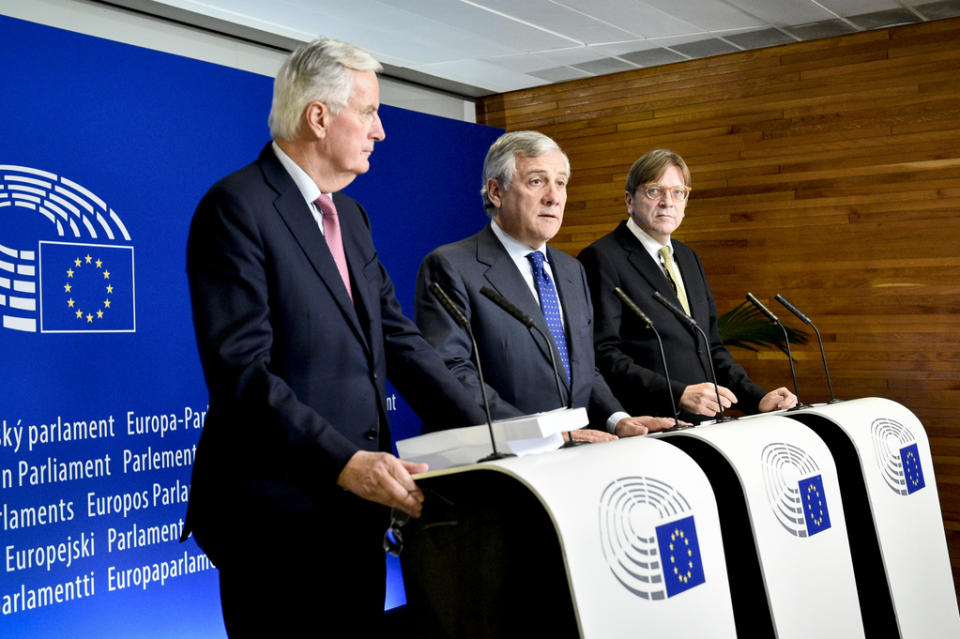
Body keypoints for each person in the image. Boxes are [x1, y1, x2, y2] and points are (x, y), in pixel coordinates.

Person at [181, 38, 486, 636]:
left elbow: (399, 341)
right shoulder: (235, 207)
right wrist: (344, 462)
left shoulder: (350, 216)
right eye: (369, 111)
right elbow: (240, 373)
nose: (381, 131)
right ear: (319, 116)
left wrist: (502, 434)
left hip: (355, 510)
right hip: (276, 517)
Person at [414, 131, 675, 440]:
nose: (554, 196)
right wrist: (542, 434)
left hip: (575, 456)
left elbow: (581, 367)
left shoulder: (571, 270)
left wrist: (616, 419)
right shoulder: (451, 266)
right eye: (537, 181)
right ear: (496, 192)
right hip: (500, 463)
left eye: (561, 183)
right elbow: (452, 373)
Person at [578, 148, 797, 423]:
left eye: (677, 192)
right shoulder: (601, 258)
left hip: (703, 424)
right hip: (648, 424)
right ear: (629, 200)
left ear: (686, 200)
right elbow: (604, 354)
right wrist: (677, 393)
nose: (667, 202)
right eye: (654, 191)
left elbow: (712, 346)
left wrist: (757, 398)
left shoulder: (688, 257)